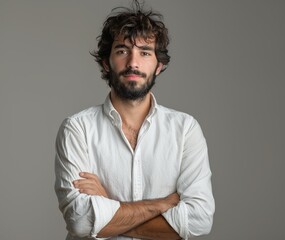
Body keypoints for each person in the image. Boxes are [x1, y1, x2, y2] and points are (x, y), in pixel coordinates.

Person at [54, 1, 215, 239]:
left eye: (145, 52)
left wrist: (108, 205)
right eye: (122, 51)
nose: (133, 63)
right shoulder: (77, 129)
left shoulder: (185, 130)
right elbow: (80, 221)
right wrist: (161, 205)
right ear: (106, 62)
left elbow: (200, 220)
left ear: (159, 65)